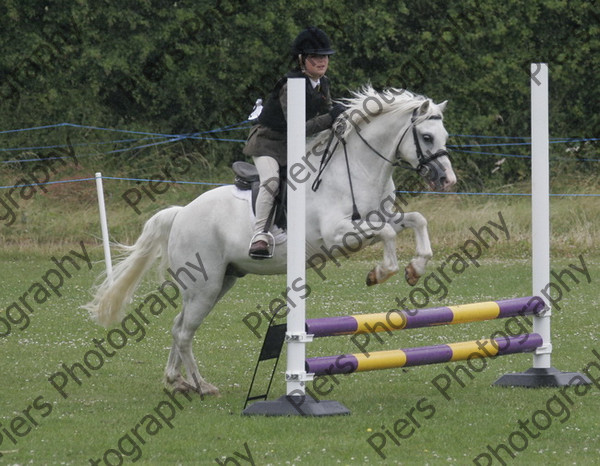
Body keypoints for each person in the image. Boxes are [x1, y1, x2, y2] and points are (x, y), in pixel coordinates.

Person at [243, 27, 345, 258]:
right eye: (315, 57)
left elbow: (328, 113)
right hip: (267, 143)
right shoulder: (290, 86)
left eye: (325, 56)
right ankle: (259, 235)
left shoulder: (322, 83)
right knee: (271, 181)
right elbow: (297, 128)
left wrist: (340, 118)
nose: (322, 61)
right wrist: (330, 118)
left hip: (294, 146)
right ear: (302, 59)